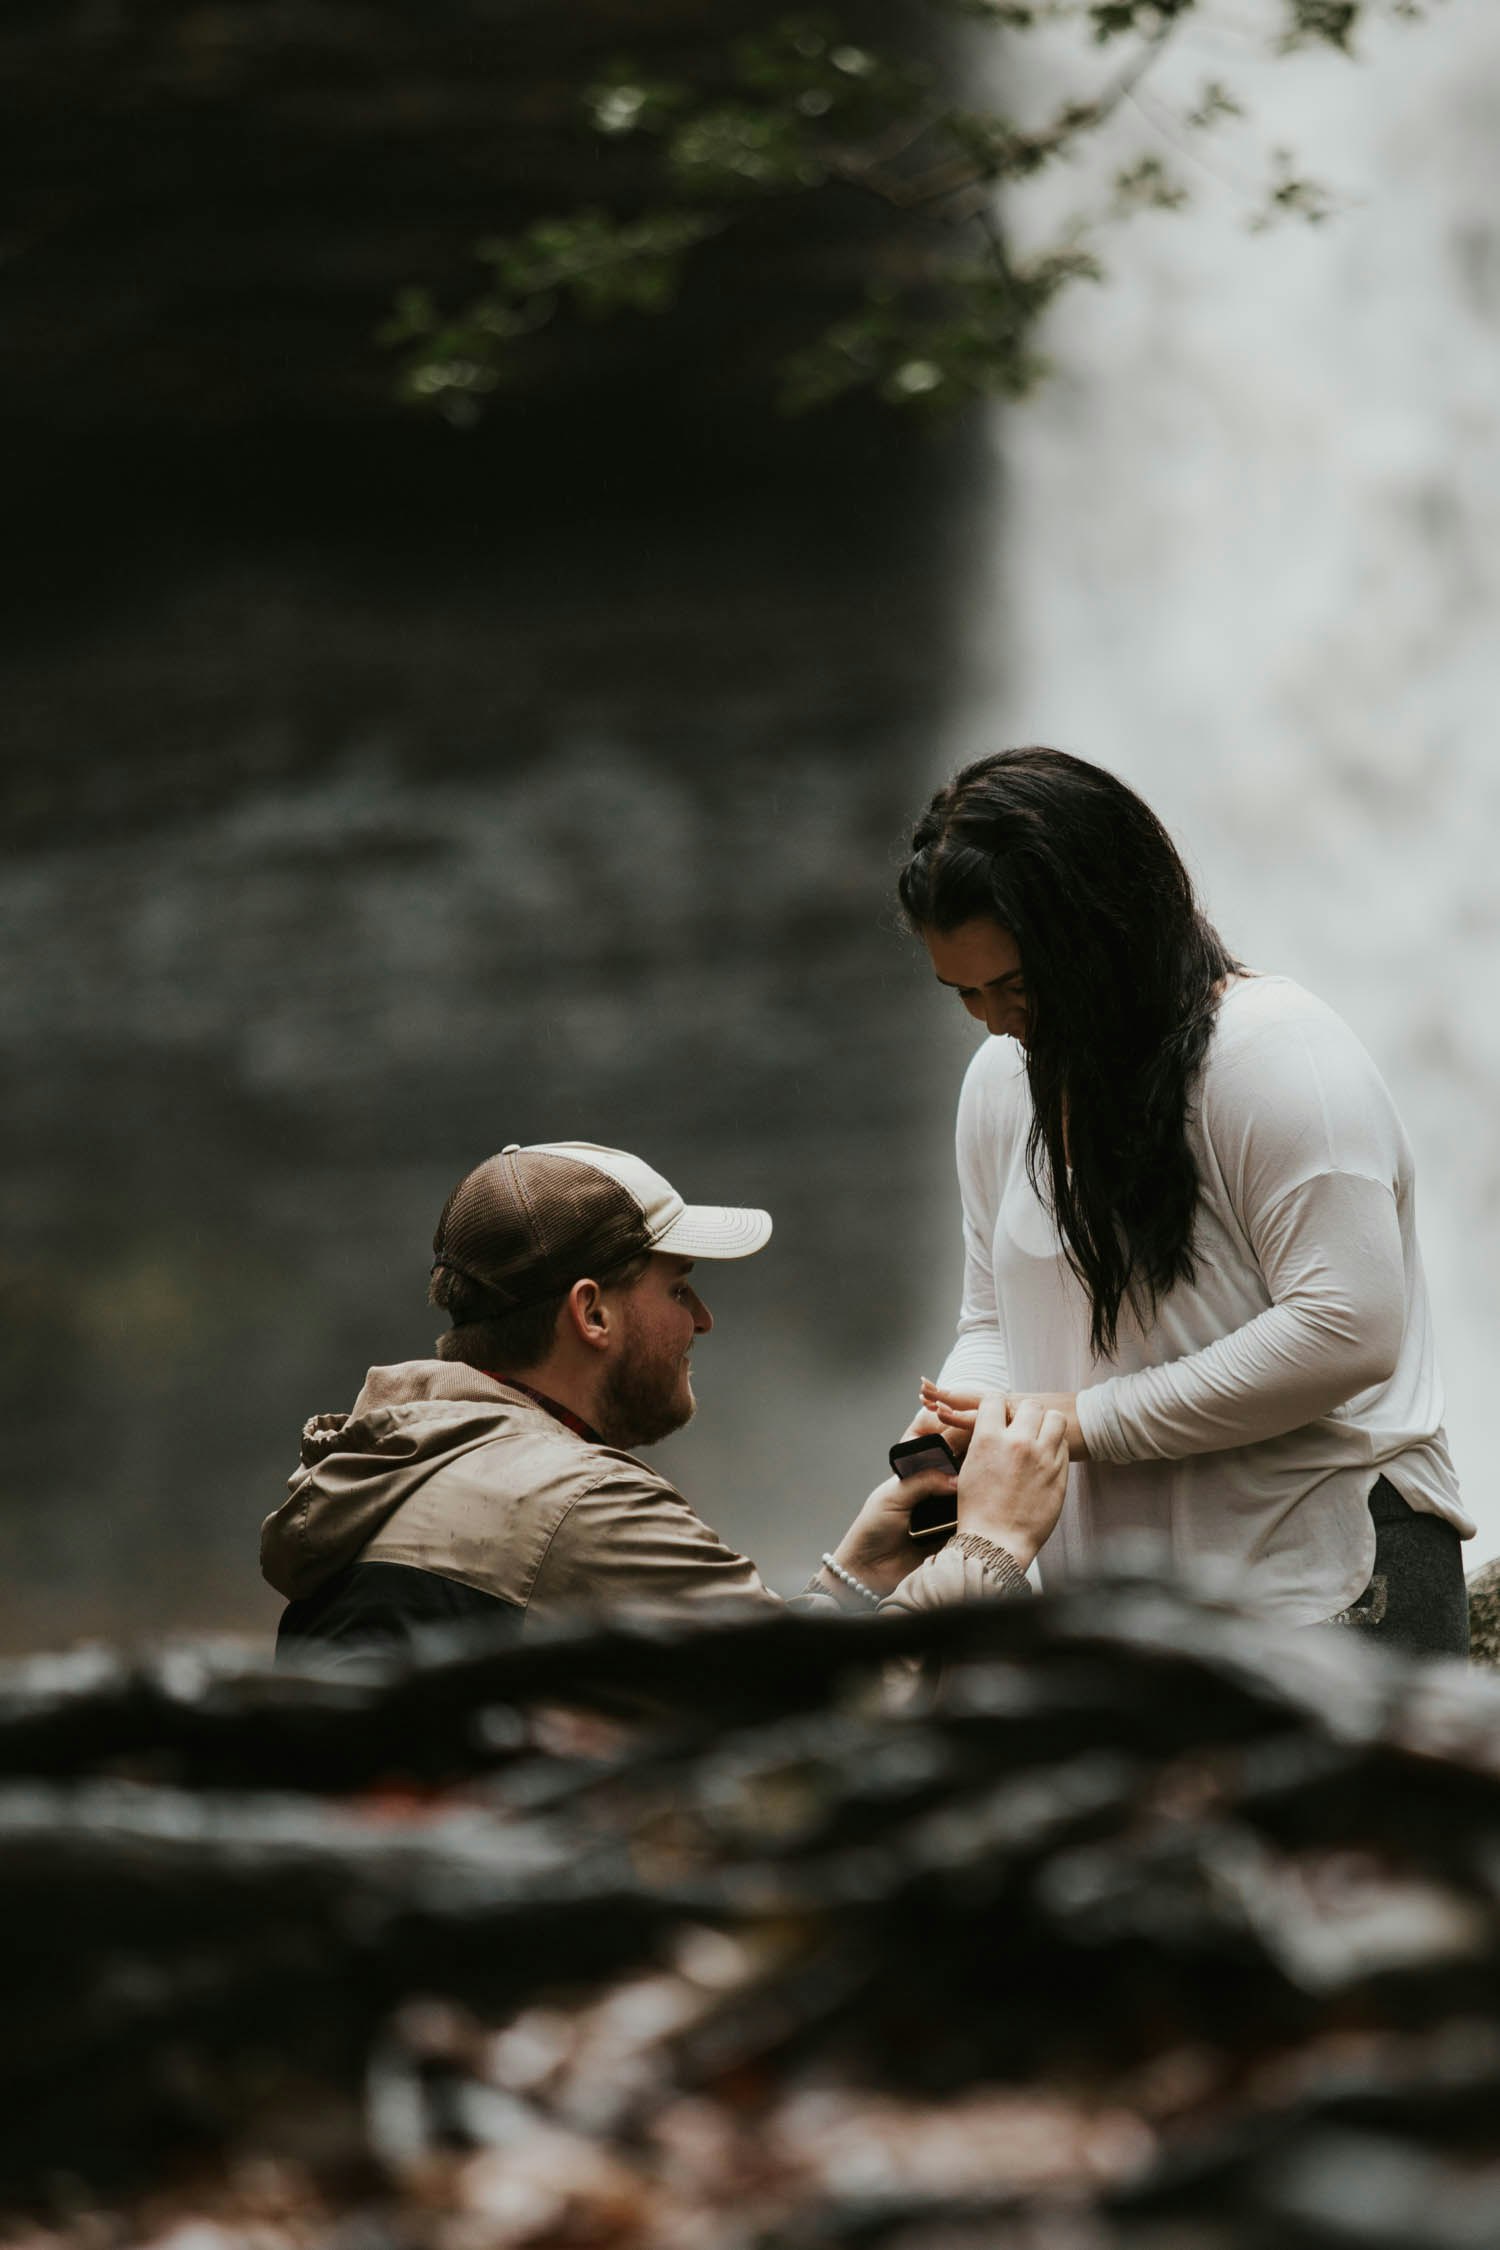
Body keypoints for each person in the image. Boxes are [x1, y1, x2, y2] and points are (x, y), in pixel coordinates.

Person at [898, 747, 1471, 1654]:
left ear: (1104, 931)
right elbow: (993, 1319)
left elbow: (1348, 1328)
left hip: (1330, 1593)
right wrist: (961, 1426)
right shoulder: (1001, 1084)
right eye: (962, 992)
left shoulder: (1275, 1055)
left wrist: (1076, 1422)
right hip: (1132, 1626)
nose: (993, 1019)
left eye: (1015, 986)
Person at [263, 1139, 1069, 1663]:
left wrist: (860, 1574)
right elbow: (822, 1717)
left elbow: (732, 1677)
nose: (704, 1320)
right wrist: (989, 1546)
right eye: (679, 1289)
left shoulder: (392, 1471)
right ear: (592, 1312)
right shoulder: (577, 1505)